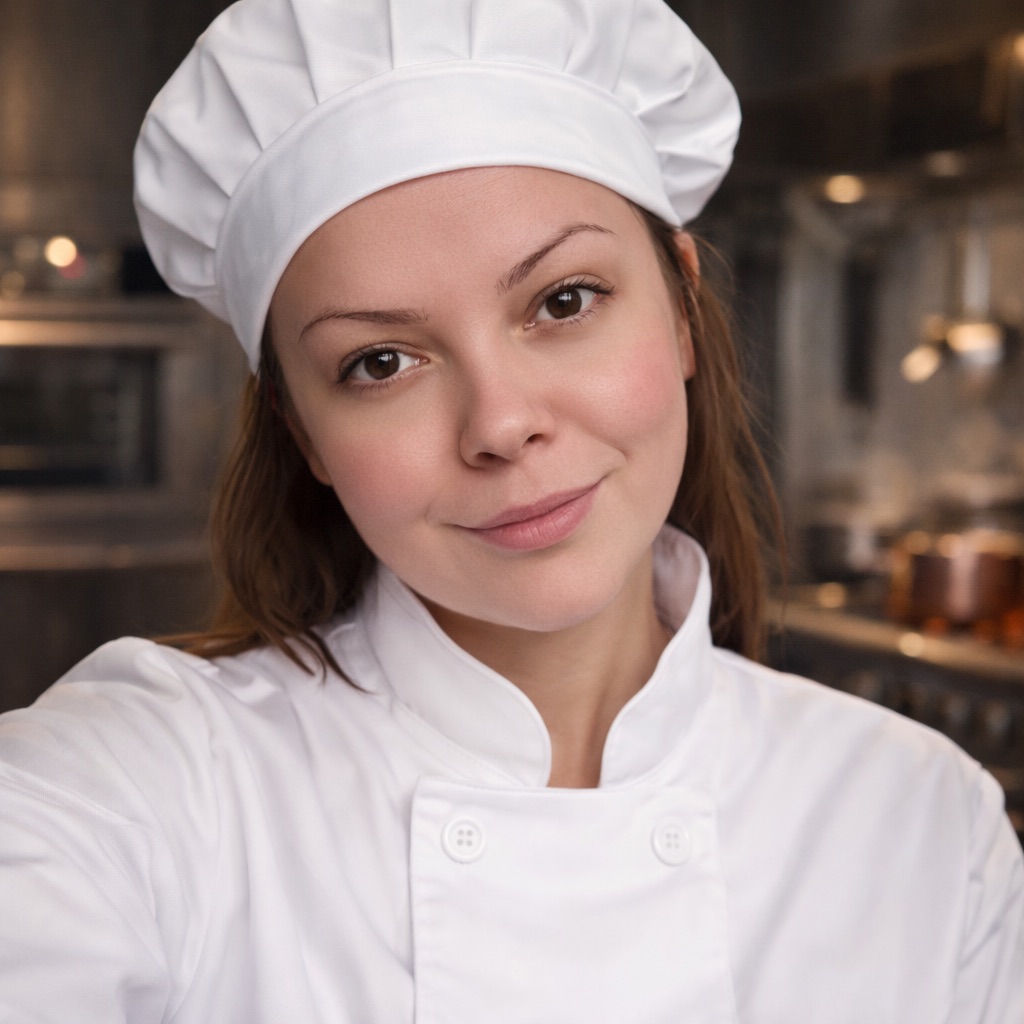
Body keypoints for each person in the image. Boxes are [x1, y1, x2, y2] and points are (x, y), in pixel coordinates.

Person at [1, 0, 1022, 1020]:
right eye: (380, 361)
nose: (500, 423)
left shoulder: (926, 829)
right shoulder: (145, 789)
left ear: (681, 308)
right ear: (302, 431)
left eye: (563, 301)